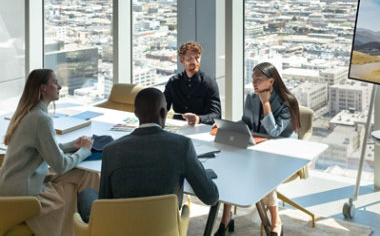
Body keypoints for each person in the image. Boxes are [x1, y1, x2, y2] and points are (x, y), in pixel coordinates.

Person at [78, 88, 219, 222]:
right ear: (163, 112)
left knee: (86, 194)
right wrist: (196, 172)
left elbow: (105, 203)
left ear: (135, 113)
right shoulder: (182, 145)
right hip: (164, 229)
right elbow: (211, 197)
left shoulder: (111, 150)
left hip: (121, 228)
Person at [0, 69, 99, 236]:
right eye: (55, 83)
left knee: (86, 174)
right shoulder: (41, 119)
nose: (60, 87)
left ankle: (86, 225)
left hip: (13, 181)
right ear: (43, 87)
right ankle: (84, 225)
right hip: (24, 192)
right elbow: (60, 165)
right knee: (71, 187)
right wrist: (84, 151)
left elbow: (43, 147)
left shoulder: (29, 112)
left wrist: (71, 145)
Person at [214, 62, 300, 236]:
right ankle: (226, 217)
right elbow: (246, 122)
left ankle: (276, 221)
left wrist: (266, 104)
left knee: (263, 172)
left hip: (282, 154)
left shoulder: (287, 102)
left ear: (271, 81)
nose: (254, 82)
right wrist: (228, 127)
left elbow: (274, 132)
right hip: (258, 149)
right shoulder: (252, 98)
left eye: (258, 79)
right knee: (231, 166)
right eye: (253, 78)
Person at [164, 41, 221, 126]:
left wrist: (199, 119)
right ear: (181, 60)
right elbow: (162, 108)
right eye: (189, 59)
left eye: (197, 58)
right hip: (178, 128)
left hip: (201, 129)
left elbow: (216, 115)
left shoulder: (209, 83)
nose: (194, 62)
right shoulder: (173, 82)